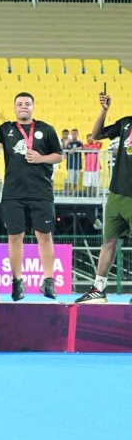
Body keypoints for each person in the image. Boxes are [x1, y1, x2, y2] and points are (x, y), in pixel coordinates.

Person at [0, 92, 63, 301]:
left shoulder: (46, 129)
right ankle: (17, 282)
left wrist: (41, 158)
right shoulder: (5, 129)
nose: (23, 107)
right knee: (15, 236)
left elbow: (59, 155)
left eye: (27, 104)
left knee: (44, 235)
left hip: (41, 192)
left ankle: (49, 280)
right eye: (19, 104)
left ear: (33, 107)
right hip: (13, 193)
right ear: (14, 108)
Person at [76, 92, 132, 303]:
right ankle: (98, 289)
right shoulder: (126, 123)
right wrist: (104, 110)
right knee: (108, 241)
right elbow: (97, 134)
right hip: (117, 194)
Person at [65, 128, 84, 194]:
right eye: (73, 134)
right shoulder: (69, 142)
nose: (74, 135)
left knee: (76, 180)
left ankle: (74, 194)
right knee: (70, 179)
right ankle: (66, 193)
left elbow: (82, 148)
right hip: (70, 164)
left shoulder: (79, 142)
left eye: (75, 134)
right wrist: (66, 143)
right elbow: (65, 149)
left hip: (78, 164)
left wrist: (74, 149)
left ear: (77, 134)